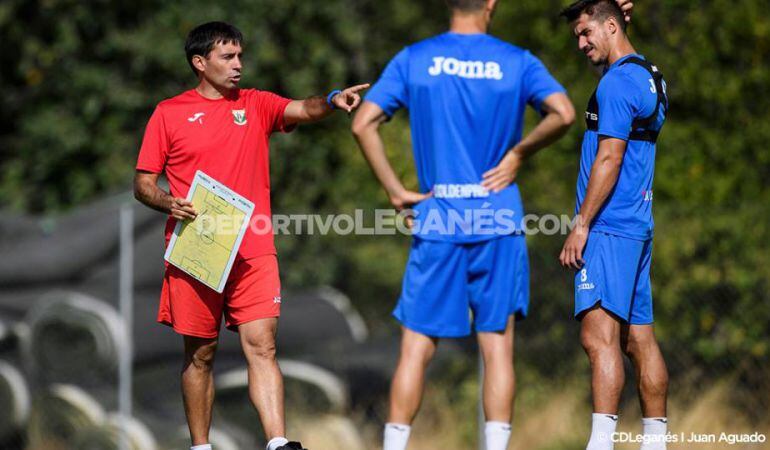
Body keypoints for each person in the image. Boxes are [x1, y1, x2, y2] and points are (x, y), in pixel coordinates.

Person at [353, 1, 631, 449]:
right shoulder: (516, 61)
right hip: (497, 218)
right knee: (497, 347)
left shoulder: (414, 58)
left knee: (415, 348)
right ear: (491, 4)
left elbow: (363, 123)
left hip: (437, 216)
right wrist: (518, 154)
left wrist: (393, 189)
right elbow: (561, 112)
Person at [133, 21, 368, 450]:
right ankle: (201, 446)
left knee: (262, 346)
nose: (238, 64)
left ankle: (277, 443)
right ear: (200, 63)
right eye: (228, 57)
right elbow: (144, 184)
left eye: (240, 56)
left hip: (254, 247)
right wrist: (170, 203)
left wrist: (333, 100)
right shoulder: (168, 113)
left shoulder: (256, 103)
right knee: (200, 355)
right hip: (198, 246)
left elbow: (303, 108)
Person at [559, 1, 670, 449]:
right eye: (577, 37)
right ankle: (655, 442)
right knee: (639, 341)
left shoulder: (615, 84)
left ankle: (600, 443)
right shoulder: (649, 76)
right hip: (638, 226)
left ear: (610, 25)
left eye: (587, 33)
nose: (582, 44)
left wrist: (582, 224)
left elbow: (610, 155)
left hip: (608, 226)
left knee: (597, 338)